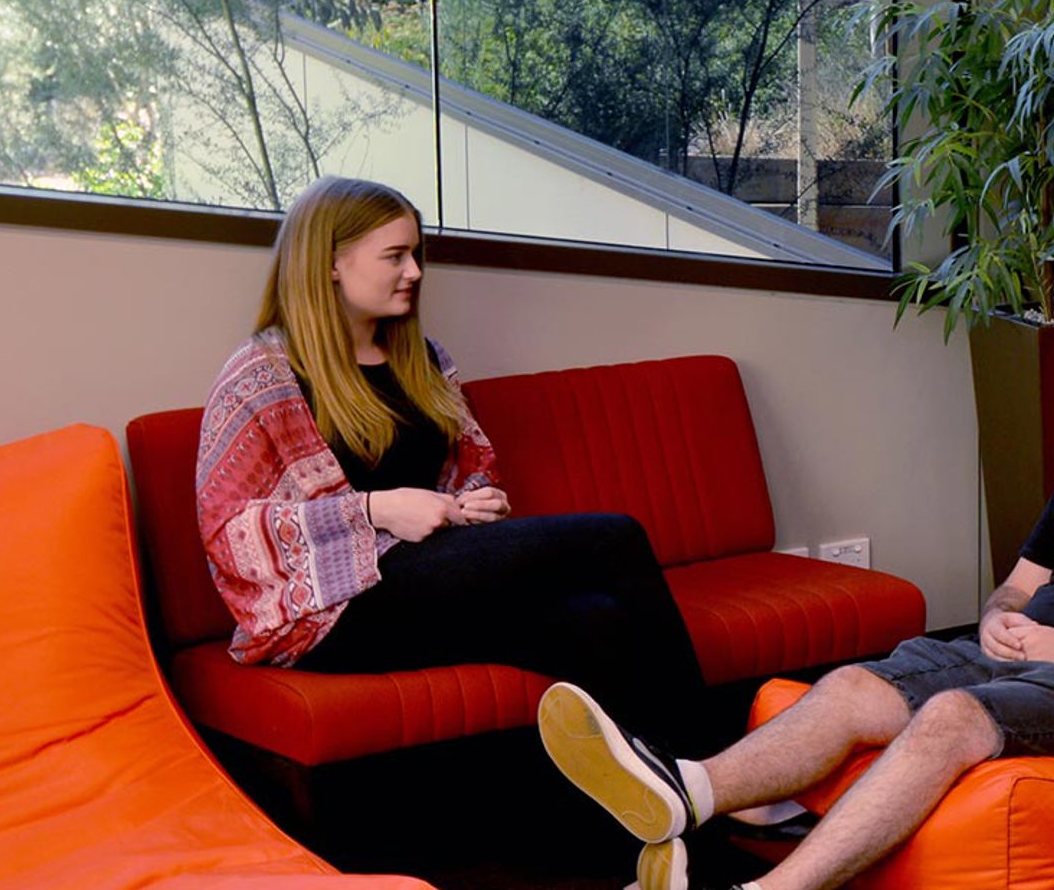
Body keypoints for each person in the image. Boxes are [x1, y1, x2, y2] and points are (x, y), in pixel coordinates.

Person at [535, 302, 1054, 890]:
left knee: (951, 715)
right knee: (855, 686)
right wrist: (998, 618)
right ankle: (688, 788)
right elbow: (1018, 586)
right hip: (1009, 658)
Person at [195, 176, 712, 749]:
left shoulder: (425, 357)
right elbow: (229, 534)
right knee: (613, 538)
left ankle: (668, 798)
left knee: (599, 620)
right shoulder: (263, 372)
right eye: (395, 256)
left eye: (416, 254)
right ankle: (730, 777)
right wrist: (375, 510)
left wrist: (476, 501)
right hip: (333, 612)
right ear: (331, 264)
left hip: (431, 579)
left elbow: (471, 467)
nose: (414, 271)